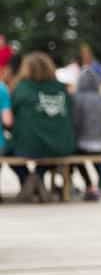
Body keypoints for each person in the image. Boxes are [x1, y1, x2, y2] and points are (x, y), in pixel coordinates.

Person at [9, 52, 75, 194]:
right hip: (62, 145)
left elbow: (10, 117)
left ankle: (28, 180)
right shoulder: (62, 88)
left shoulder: (22, 88)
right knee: (49, 150)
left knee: (9, 151)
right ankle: (38, 177)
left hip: (28, 146)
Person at [71, 69, 101, 200]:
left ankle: (86, 184)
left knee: (74, 152)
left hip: (82, 146)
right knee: (96, 150)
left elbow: (75, 123)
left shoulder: (76, 99)